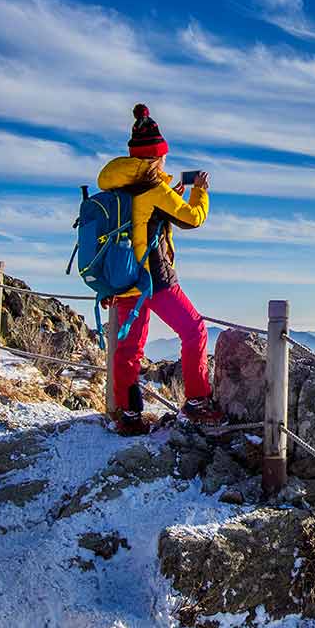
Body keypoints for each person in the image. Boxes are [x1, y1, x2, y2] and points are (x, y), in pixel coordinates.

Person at [97, 103, 224, 435]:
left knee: (129, 348)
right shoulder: (155, 189)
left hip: (123, 277)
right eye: (163, 157)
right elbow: (192, 219)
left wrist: (170, 197)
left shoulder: (118, 187)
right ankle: (197, 401)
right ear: (156, 157)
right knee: (194, 330)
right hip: (154, 278)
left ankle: (127, 416)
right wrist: (200, 191)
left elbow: (142, 219)